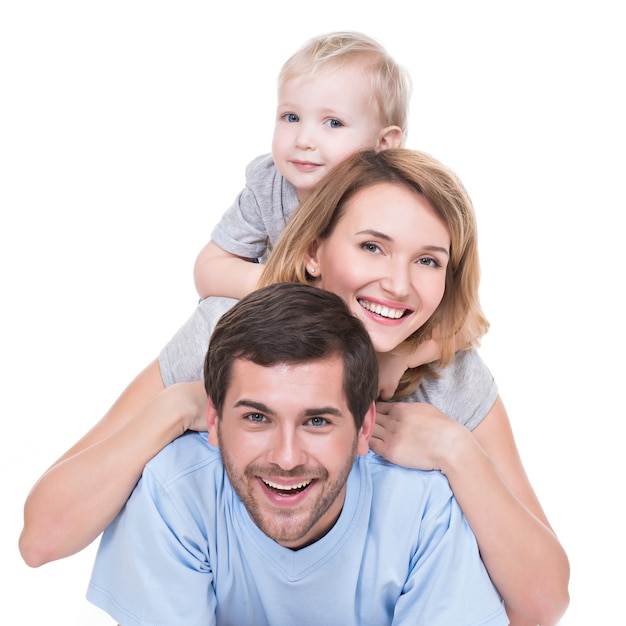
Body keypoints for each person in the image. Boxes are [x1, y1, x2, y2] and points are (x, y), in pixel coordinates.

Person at [20, 149, 570, 625]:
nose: (399, 283)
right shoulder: (229, 336)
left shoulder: (449, 378)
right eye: (372, 247)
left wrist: (456, 450)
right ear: (313, 251)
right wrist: (176, 407)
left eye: (428, 260)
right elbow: (42, 539)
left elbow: (543, 601)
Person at [86, 282, 509, 626]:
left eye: (317, 422)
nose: (286, 458)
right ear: (213, 420)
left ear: (364, 428)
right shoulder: (175, 491)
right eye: (257, 418)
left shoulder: (425, 510)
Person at [192, 30, 409, 301]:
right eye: (291, 117)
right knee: (218, 310)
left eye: (333, 123)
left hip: (378, 320)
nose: (304, 140)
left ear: (384, 143)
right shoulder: (269, 185)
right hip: (295, 316)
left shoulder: (402, 204)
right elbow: (209, 269)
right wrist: (288, 285)